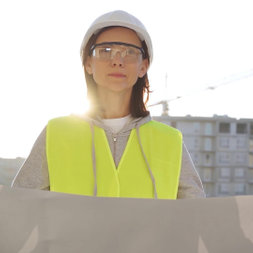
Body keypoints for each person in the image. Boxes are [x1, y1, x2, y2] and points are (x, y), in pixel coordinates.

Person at [12, 10, 205, 199]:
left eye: (130, 52)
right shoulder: (56, 133)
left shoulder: (170, 142)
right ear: (88, 64)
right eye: (105, 51)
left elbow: (197, 219)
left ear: (143, 67)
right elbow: (20, 212)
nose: (117, 60)